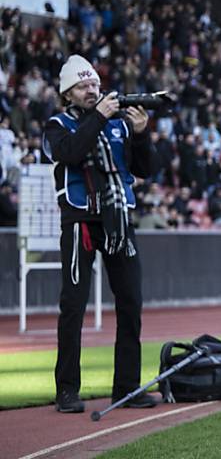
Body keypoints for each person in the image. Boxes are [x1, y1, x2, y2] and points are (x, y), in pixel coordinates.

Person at [42, 55, 159, 413]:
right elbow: (71, 153)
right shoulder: (56, 125)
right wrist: (100, 116)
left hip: (119, 220)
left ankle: (126, 387)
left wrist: (141, 135)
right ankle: (67, 390)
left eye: (94, 83)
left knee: (131, 303)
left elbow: (145, 169)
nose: (92, 90)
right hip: (80, 221)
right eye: (82, 86)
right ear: (67, 94)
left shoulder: (118, 123)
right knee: (73, 307)